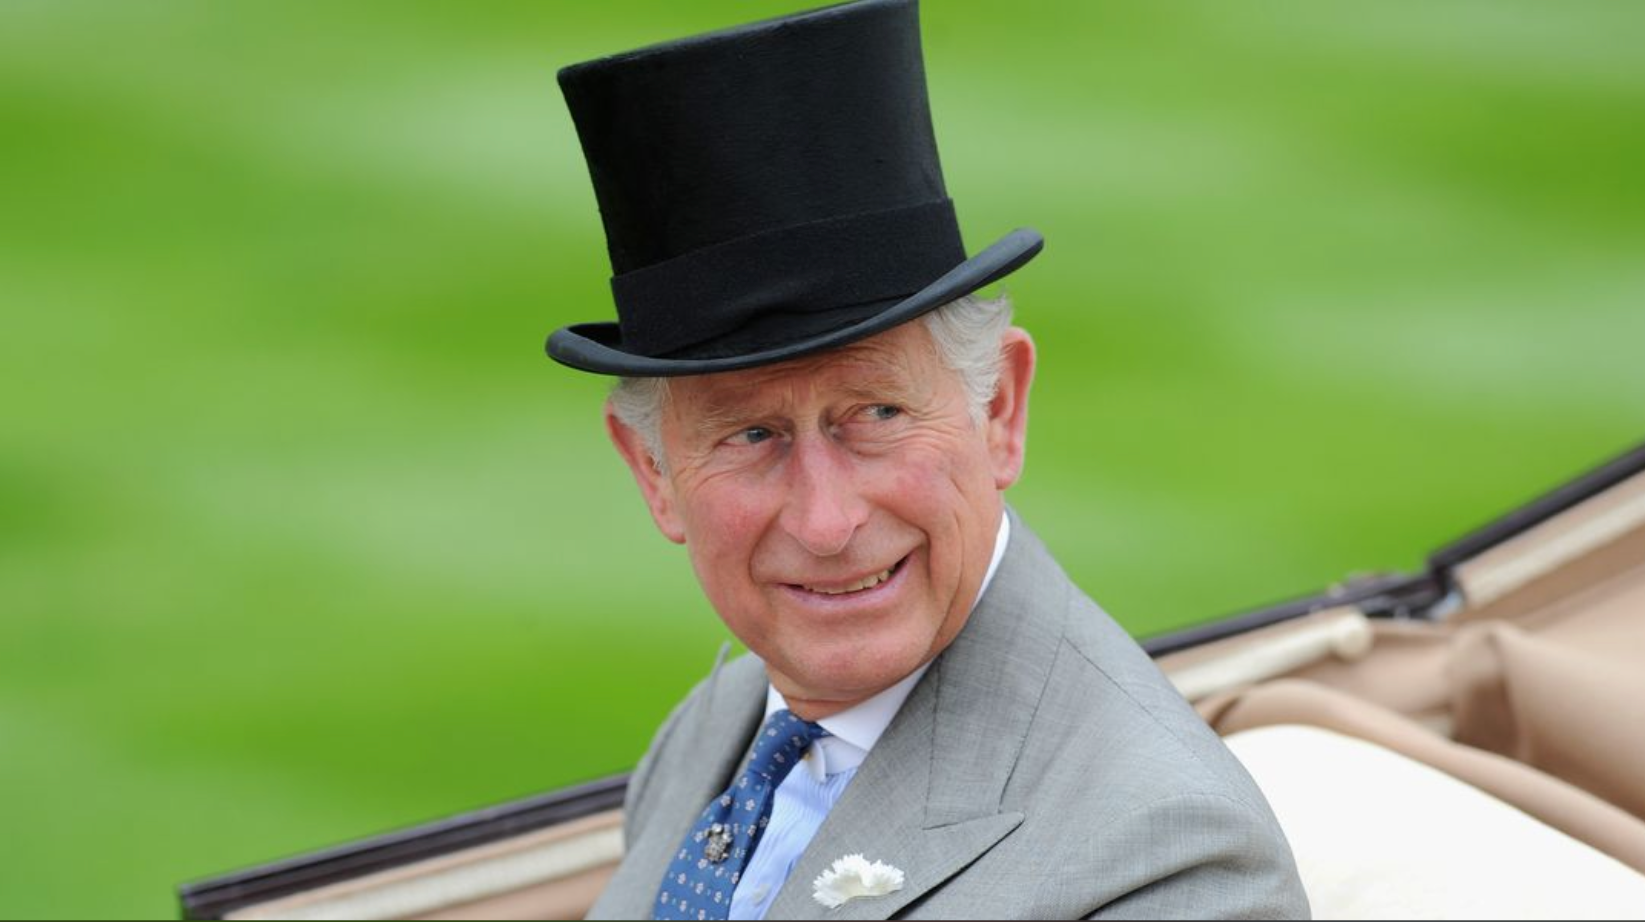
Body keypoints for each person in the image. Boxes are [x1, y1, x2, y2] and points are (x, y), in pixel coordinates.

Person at [545, 1, 1308, 918]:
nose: (826, 525)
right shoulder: (723, 718)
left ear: (998, 409)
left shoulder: (1173, 859)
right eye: (751, 435)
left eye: (875, 412)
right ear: (652, 471)